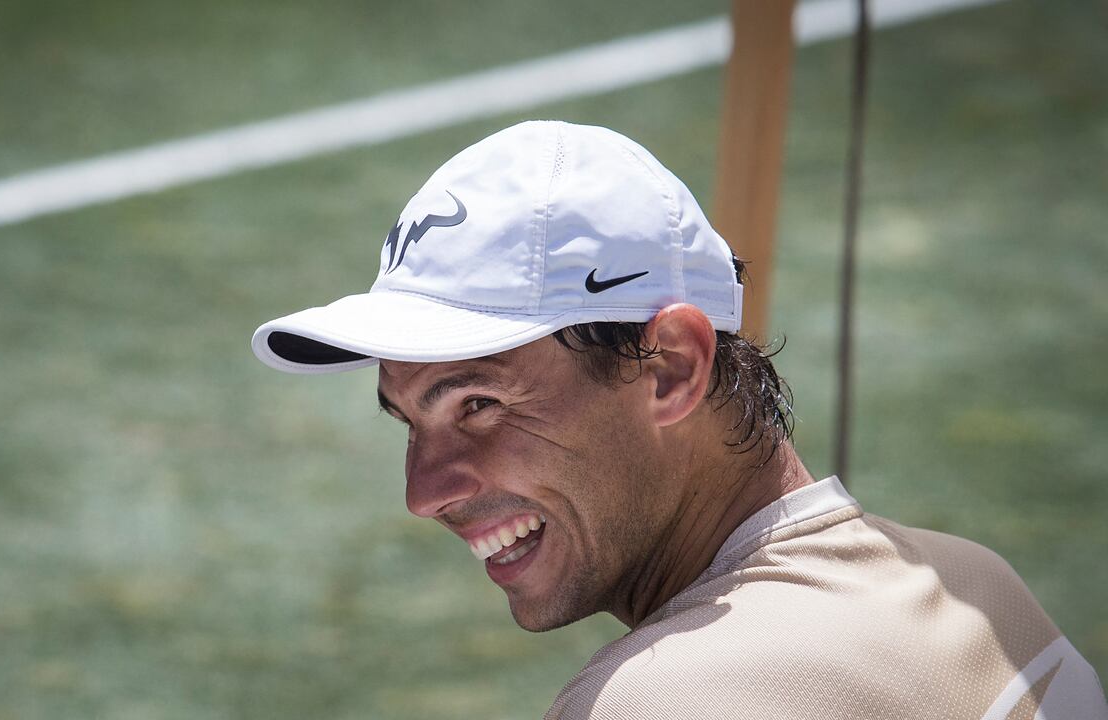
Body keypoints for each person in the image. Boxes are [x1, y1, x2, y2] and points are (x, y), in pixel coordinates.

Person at [250, 121, 1106, 718]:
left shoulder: (657, 703)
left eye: (478, 405)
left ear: (671, 368)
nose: (423, 492)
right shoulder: (985, 590)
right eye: (408, 421)